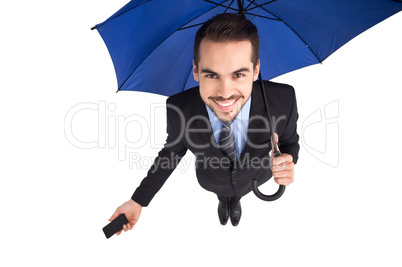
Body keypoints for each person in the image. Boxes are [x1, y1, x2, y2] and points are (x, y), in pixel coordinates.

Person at [109, 13, 299, 232]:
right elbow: (170, 156)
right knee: (224, 193)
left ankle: (235, 200)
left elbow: (289, 142)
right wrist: (138, 200)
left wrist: (287, 160)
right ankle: (224, 199)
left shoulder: (283, 100)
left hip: (254, 180)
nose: (225, 93)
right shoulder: (179, 108)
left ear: (255, 70)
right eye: (212, 75)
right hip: (212, 180)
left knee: (238, 192)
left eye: (238, 74)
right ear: (196, 71)